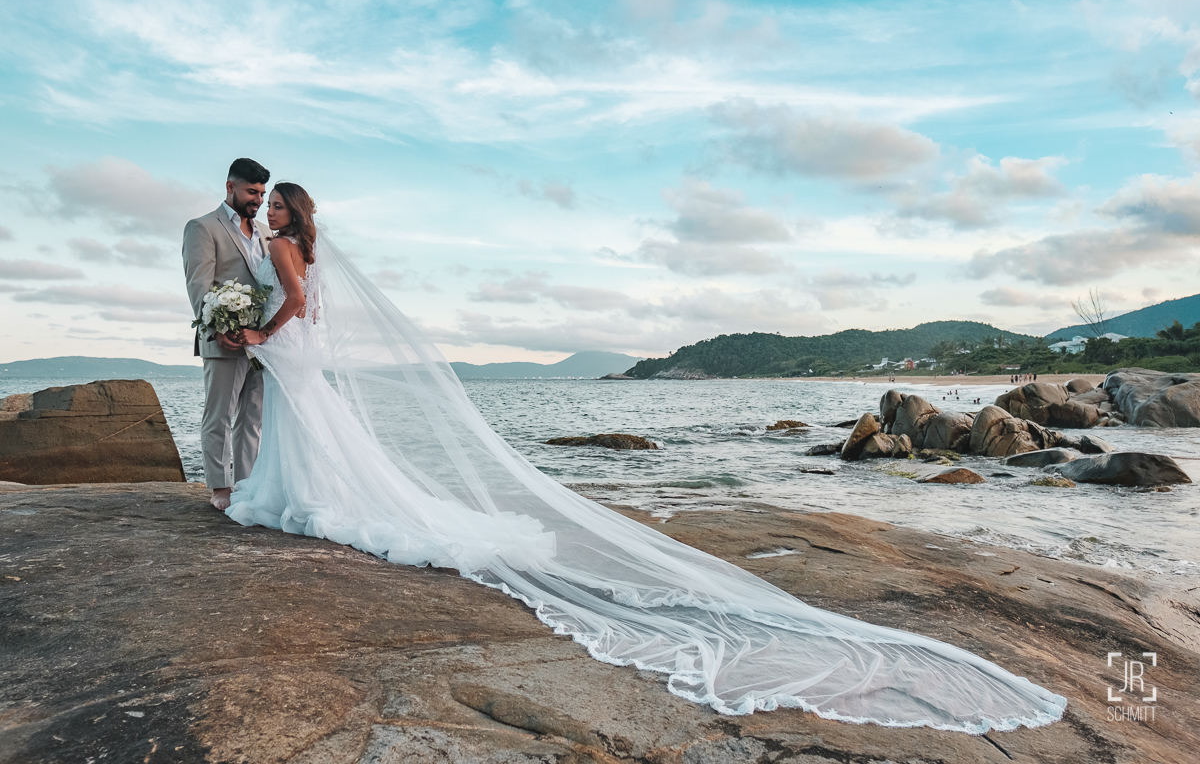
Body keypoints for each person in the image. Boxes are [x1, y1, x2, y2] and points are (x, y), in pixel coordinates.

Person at [223, 184, 1067, 733]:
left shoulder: (292, 254)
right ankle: (297, 496)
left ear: (293, 213)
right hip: (294, 352)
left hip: (287, 347)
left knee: (314, 432)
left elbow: (296, 301)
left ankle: (302, 499)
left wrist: (260, 331)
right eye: (266, 212)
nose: (270, 219)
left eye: (277, 210)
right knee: (314, 432)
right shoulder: (295, 244)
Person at [182, 158, 272, 510]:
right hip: (224, 341)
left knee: (252, 418)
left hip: (260, 343)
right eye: (252, 191)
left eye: (263, 193)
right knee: (218, 416)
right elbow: (199, 286)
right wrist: (217, 330)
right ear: (230, 187)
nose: (259, 199)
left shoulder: (267, 232)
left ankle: (247, 486)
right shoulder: (202, 227)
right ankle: (220, 487)